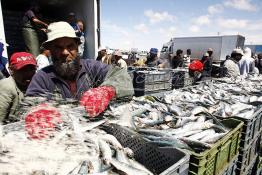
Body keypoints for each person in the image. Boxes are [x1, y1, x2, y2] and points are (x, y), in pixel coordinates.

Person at [26, 21, 133, 117]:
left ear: (77, 46)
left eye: (70, 46)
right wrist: (37, 112)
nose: (65, 52)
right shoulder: (42, 78)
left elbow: (122, 76)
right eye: (58, 47)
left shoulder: (92, 67)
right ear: (50, 50)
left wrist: (108, 90)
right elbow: (30, 104)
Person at [0, 52, 37, 124]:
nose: (29, 73)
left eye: (32, 69)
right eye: (23, 70)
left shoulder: (34, 85)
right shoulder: (7, 86)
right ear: (11, 70)